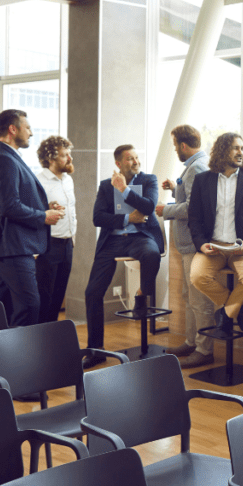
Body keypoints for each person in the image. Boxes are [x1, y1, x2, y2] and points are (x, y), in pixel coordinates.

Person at [83, 144, 165, 367]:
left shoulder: (149, 180)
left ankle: (141, 294)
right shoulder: (104, 185)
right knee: (92, 293)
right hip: (113, 241)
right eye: (130, 158)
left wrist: (125, 191)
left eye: (137, 157)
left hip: (141, 237)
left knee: (152, 254)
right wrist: (128, 219)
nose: (136, 161)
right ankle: (96, 351)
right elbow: (98, 218)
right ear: (118, 164)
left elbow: (148, 207)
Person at [0, 109, 62, 328]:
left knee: (4, 307)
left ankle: (2, 359)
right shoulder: (3, 158)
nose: (31, 133)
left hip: (8, 245)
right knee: (29, 305)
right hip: (13, 246)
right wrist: (43, 217)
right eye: (27, 128)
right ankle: (19, 359)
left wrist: (45, 207)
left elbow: (12, 200)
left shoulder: (3, 156)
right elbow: (9, 206)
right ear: (12, 129)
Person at [188, 133, 243, 336]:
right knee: (197, 276)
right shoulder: (202, 180)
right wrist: (201, 244)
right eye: (235, 148)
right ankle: (237, 306)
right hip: (212, 245)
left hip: (241, 246)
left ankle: (225, 312)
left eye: (242, 148)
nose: (240, 152)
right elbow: (194, 218)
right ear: (222, 150)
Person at [155, 125, 216, 369]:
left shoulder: (197, 167)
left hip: (194, 242)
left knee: (199, 299)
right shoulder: (194, 166)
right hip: (188, 243)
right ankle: (191, 342)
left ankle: (204, 349)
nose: (175, 150)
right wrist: (175, 189)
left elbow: (194, 207)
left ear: (182, 145)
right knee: (188, 296)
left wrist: (165, 210)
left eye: (174, 146)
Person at [34, 135, 78, 324]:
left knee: (59, 298)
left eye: (69, 154)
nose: (70, 158)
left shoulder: (68, 180)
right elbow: (33, 213)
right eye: (64, 155)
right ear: (51, 159)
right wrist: (46, 208)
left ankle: (51, 339)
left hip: (67, 245)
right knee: (45, 297)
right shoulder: (38, 181)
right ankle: (39, 341)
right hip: (48, 246)